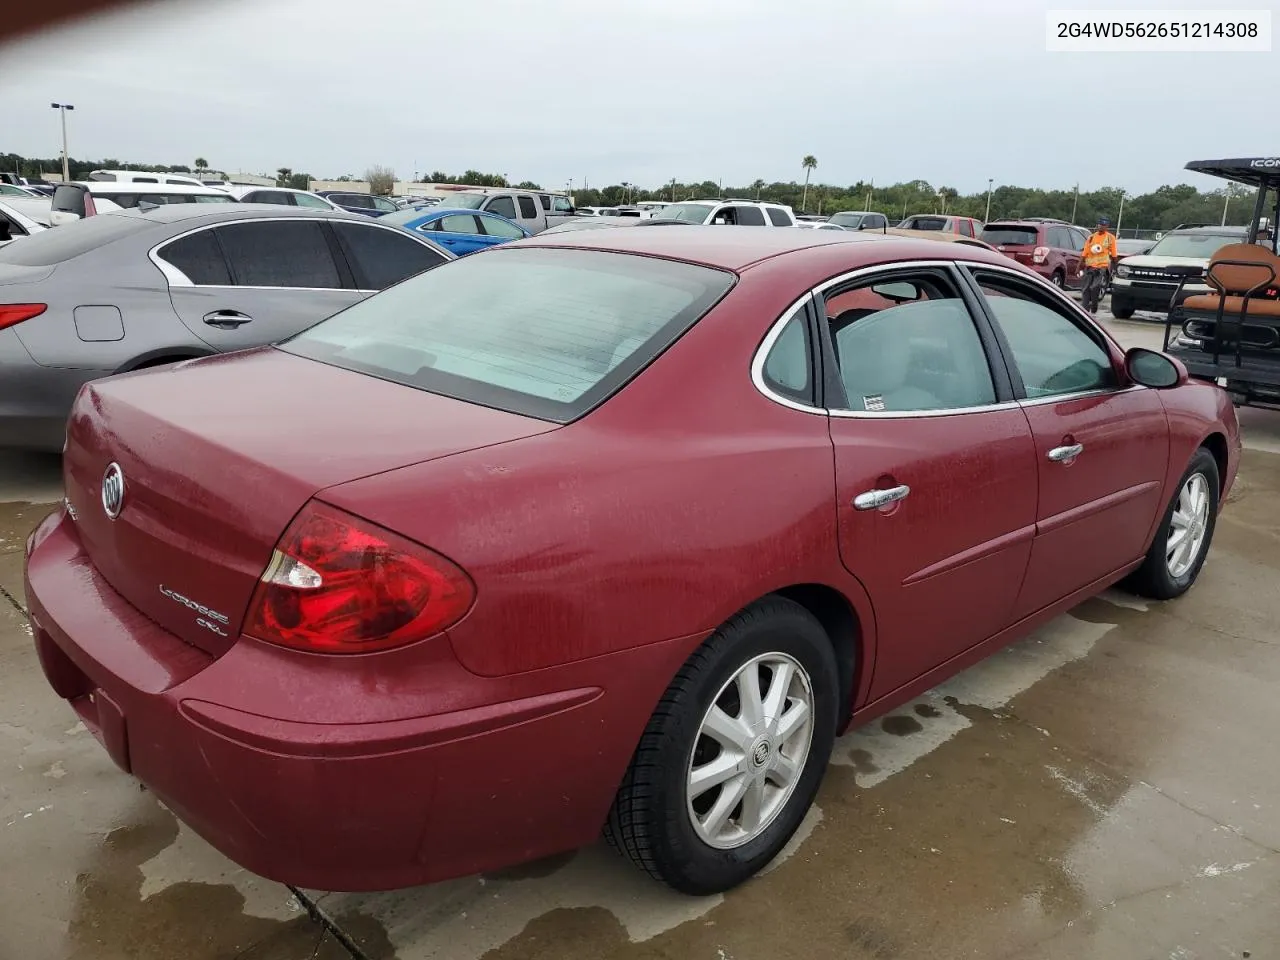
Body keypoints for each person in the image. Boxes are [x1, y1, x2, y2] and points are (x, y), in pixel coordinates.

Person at [1080, 216, 1118, 314]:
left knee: (1094, 287)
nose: (1101, 227)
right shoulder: (1091, 237)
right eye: (1099, 225)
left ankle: (1094, 305)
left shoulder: (1110, 238)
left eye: (1103, 225)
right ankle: (1084, 309)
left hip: (1101, 267)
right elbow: (1084, 253)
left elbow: (1114, 255)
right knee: (1085, 288)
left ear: (1107, 226)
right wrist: (1079, 266)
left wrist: (1115, 267)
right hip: (1089, 267)